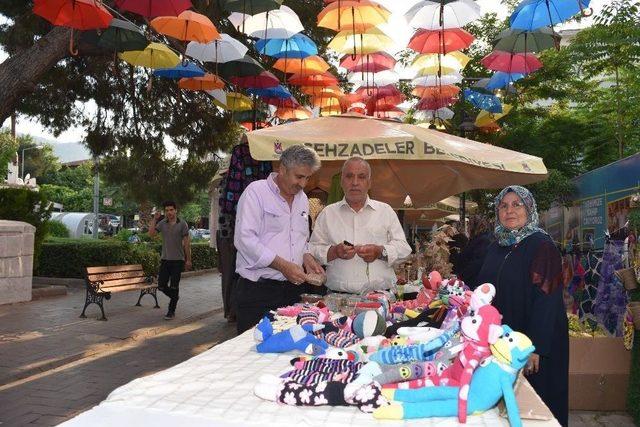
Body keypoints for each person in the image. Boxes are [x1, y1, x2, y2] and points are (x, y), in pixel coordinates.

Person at [475, 185, 568, 427]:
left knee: (534, 406)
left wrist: (535, 347)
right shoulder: (497, 246)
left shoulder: (541, 246)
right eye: (504, 206)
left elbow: (547, 299)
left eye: (517, 204)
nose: (510, 210)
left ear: (529, 209)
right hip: (502, 339)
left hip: (532, 343)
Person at [234, 145, 325, 334]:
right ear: (282, 169)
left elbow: (300, 239)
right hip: (258, 292)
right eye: (299, 177)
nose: (303, 184)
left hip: (292, 291)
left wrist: (307, 257)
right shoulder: (256, 192)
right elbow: (245, 240)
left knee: (291, 348)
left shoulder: (302, 199)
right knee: (254, 352)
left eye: (307, 178)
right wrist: (282, 265)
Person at [309, 157, 412, 294]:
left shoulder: (385, 211)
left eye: (361, 177)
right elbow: (312, 251)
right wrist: (334, 252)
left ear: (369, 183)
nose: (355, 182)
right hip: (337, 298)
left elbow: (405, 250)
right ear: (341, 182)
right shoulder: (328, 213)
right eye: (349, 176)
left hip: (380, 297)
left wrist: (380, 252)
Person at [149, 201, 192, 320]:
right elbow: (151, 234)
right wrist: (154, 219)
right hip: (165, 259)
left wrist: (188, 260)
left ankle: (171, 311)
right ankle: (175, 297)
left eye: (171, 210)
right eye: (167, 210)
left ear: (176, 210)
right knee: (161, 286)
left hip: (178, 260)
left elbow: (187, 243)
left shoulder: (182, 224)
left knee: (174, 286)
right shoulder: (162, 223)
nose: (169, 212)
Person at [457, 215, 494, 289]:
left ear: (475, 225)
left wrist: (460, 276)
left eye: (468, 225)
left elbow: (476, 263)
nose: (467, 228)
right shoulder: (479, 238)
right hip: (471, 280)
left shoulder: (483, 240)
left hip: (474, 282)